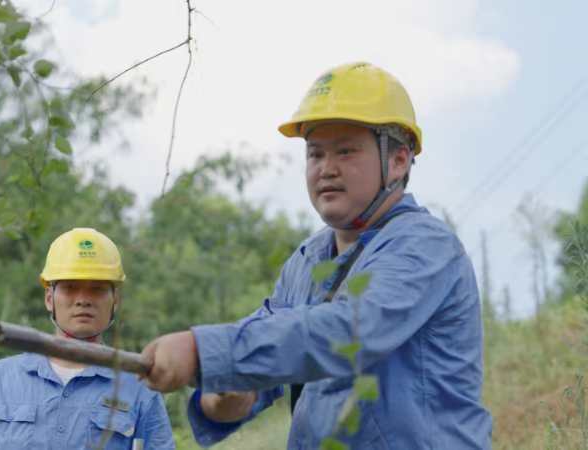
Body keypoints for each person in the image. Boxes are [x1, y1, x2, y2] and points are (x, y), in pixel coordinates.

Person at [140, 62, 493, 449]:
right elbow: (267, 365)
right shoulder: (307, 261)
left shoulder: (424, 245)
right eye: (315, 154)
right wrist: (227, 398)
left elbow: (346, 332)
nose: (327, 169)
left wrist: (201, 350)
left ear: (398, 160)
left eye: (345, 151)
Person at [0, 228, 175, 450]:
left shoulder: (139, 389)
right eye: (70, 288)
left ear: (114, 300)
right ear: (49, 298)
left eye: (96, 289)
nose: (83, 300)